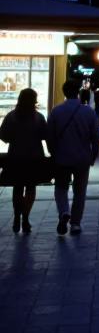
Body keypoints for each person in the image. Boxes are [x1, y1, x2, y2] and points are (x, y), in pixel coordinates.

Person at [48, 79, 99, 235]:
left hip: (62, 157)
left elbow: (49, 136)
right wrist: (93, 155)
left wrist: (53, 153)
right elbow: (96, 136)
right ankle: (76, 223)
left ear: (64, 93)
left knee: (61, 188)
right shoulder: (88, 112)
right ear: (77, 91)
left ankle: (64, 212)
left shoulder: (56, 111)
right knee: (80, 190)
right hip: (82, 157)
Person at [0, 89, 49, 234]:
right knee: (30, 189)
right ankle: (25, 218)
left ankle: (16, 217)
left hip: (15, 156)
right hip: (34, 157)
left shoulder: (11, 116)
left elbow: (3, 136)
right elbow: (44, 135)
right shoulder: (38, 117)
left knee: (17, 188)